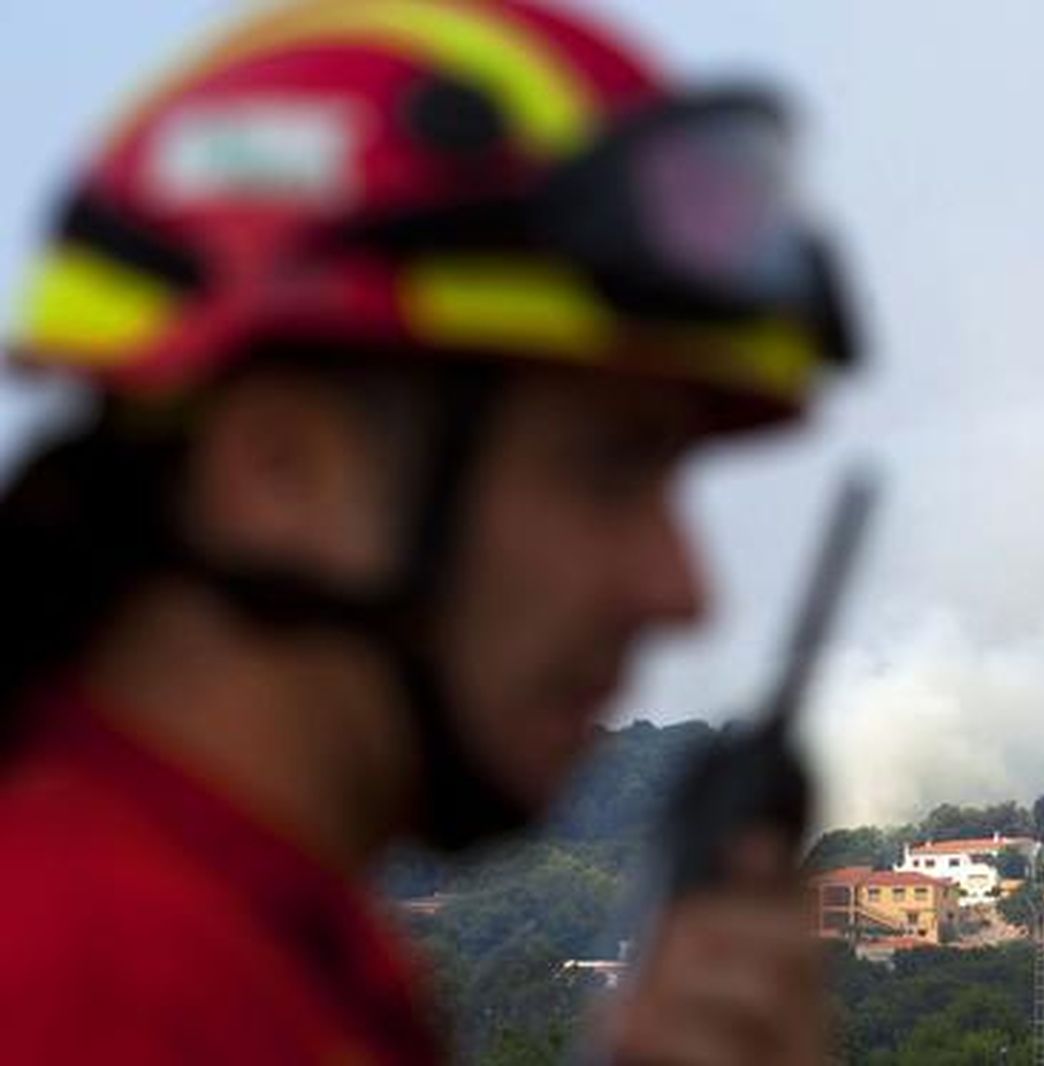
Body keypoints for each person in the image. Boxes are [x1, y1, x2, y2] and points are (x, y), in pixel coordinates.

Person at [0, 1, 857, 1062]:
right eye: (607, 466)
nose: (682, 590)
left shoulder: (278, 956)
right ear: (280, 468)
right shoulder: (101, 985)